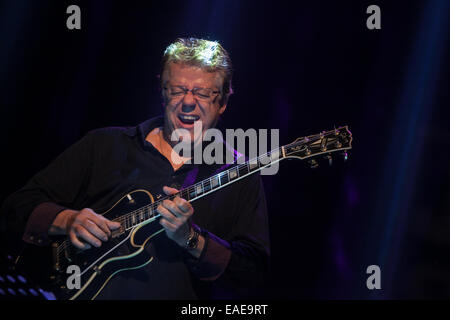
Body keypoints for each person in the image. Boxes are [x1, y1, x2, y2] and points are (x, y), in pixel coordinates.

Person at [0, 38, 270, 299]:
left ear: (222, 102)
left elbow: (251, 274)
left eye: (202, 93)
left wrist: (191, 238)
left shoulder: (239, 175)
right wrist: (68, 220)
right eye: (177, 90)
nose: (188, 102)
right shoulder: (104, 144)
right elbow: (16, 208)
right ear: (162, 92)